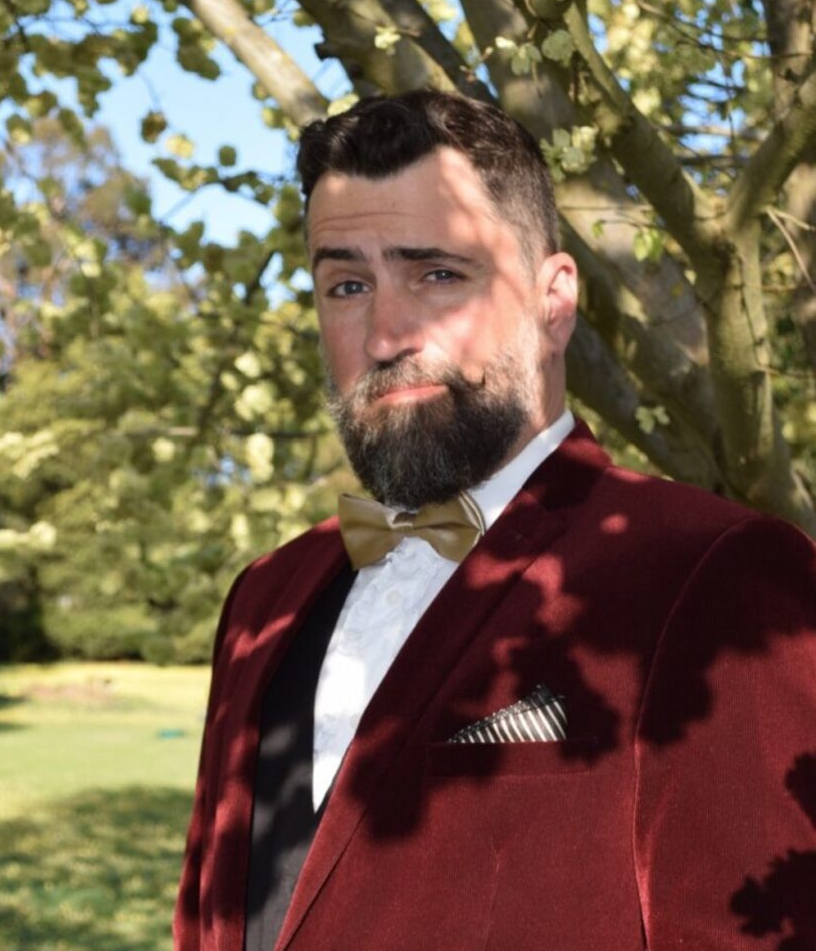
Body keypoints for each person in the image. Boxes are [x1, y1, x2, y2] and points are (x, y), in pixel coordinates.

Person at [174, 90, 814, 951]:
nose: (386, 334)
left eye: (438, 274)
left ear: (553, 302)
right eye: (348, 284)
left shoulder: (718, 575)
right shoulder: (266, 598)